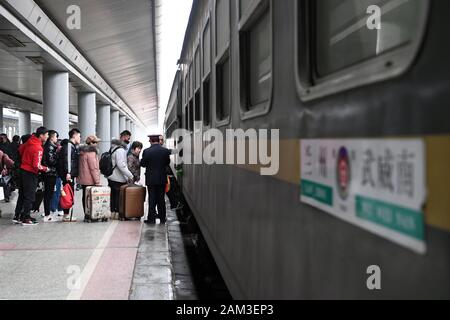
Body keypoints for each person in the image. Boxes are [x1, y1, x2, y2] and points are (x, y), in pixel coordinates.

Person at [13, 127, 50, 226]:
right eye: (46, 135)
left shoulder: (29, 142)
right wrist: (46, 169)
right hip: (30, 173)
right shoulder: (38, 147)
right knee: (29, 196)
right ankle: (26, 218)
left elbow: (20, 150)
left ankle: (18, 216)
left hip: (22, 171)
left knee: (22, 194)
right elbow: (36, 165)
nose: (47, 137)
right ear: (41, 135)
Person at [141, 135, 171, 224]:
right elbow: (167, 163)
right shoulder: (165, 151)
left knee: (152, 198)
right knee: (161, 199)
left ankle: (151, 219)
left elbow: (143, 164)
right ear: (158, 140)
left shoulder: (146, 151)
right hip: (161, 178)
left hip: (151, 179)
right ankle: (162, 218)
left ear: (150, 141)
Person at [57, 128, 81, 222]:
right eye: (79, 136)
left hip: (69, 174)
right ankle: (66, 215)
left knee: (68, 193)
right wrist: (69, 172)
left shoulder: (71, 146)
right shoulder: (69, 146)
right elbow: (68, 160)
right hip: (68, 175)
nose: (80, 138)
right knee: (68, 193)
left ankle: (66, 214)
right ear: (74, 135)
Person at [107, 138, 134, 220]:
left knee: (113, 195)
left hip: (111, 176)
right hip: (118, 177)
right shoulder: (120, 150)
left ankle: (112, 213)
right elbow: (121, 165)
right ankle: (117, 214)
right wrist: (130, 175)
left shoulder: (112, 148)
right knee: (118, 196)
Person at [78, 135, 101, 220]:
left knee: (85, 197)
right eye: (95, 142)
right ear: (90, 143)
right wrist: (97, 181)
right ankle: (91, 215)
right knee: (91, 198)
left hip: (83, 179)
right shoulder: (91, 153)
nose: (97, 144)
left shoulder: (82, 152)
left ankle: (86, 215)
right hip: (90, 180)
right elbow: (93, 168)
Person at [41, 130, 59, 222]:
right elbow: (51, 161)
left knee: (48, 193)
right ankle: (47, 215)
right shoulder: (50, 148)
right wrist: (58, 159)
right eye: (56, 137)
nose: (57, 138)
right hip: (50, 173)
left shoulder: (49, 147)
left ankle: (47, 213)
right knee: (48, 194)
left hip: (49, 173)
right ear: (52, 137)